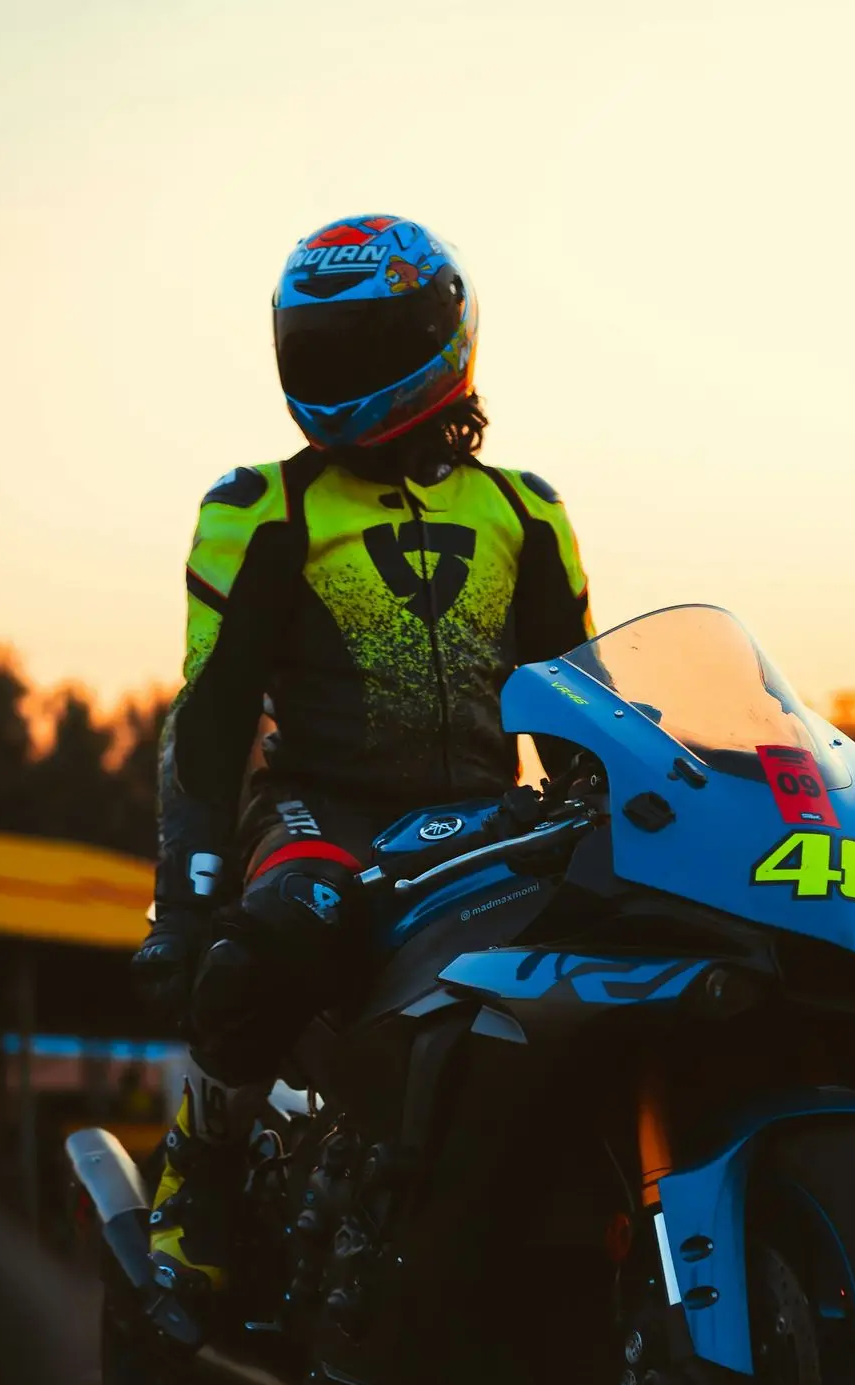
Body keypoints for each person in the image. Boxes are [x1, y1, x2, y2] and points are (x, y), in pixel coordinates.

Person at [131, 214, 593, 1326]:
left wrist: (614, 813)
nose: (334, 367)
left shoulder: (526, 511)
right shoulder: (261, 508)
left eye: (366, 339)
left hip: (487, 822)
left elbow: (582, 702)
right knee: (276, 940)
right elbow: (211, 722)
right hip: (320, 815)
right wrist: (185, 904)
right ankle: (200, 1152)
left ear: (441, 334)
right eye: (315, 344)